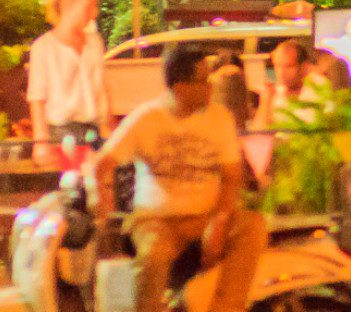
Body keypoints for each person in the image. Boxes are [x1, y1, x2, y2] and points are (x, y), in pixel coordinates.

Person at [94, 43, 268, 312]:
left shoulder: (219, 118)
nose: (210, 87)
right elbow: (103, 162)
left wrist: (220, 220)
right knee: (153, 254)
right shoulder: (147, 118)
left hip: (206, 215)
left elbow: (232, 177)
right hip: (157, 221)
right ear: (180, 88)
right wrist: (101, 192)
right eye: (203, 81)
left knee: (253, 227)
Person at [27, 0, 111, 163]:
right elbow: (37, 97)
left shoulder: (94, 42)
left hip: (94, 129)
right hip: (62, 133)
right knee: (71, 187)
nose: (94, 14)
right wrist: (41, 141)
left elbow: (102, 88)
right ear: (67, 6)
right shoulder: (44, 47)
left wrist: (107, 126)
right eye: (88, 7)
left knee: (97, 187)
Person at [257, 40, 333, 129]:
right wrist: (266, 102)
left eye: (288, 67)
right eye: (277, 66)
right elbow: (259, 134)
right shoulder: (272, 92)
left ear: (303, 67)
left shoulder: (319, 86)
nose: (281, 73)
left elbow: (331, 124)